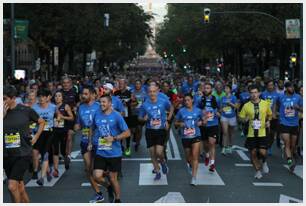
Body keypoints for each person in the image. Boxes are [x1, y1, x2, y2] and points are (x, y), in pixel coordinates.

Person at [4, 85, 45, 202]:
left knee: (12, 186)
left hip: (23, 154)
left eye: (4, 99)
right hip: (6, 155)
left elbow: (41, 122)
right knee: (20, 188)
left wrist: (36, 137)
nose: (2, 101)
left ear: (13, 98)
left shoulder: (25, 110)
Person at [90, 94, 131, 203]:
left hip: (114, 153)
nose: (102, 104)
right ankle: (108, 187)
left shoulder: (117, 116)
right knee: (96, 176)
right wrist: (90, 141)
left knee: (113, 178)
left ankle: (117, 199)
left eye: (104, 102)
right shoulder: (97, 114)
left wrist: (114, 138)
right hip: (101, 151)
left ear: (109, 103)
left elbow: (127, 133)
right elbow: (92, 127)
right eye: (100, 102)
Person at [138, 85, 173, 180]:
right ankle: (157, 171)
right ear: (148, 93)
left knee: (158, 152)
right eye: (150, 92)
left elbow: (171, 108)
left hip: (161, 130)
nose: (152, 93)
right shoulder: (145, 104)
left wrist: (168, 120)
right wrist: (143, 118)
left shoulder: (163, 101)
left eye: (154, 91)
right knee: (152, 153)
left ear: (157, 92)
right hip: (150, 130)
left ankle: (162, 162)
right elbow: (140, 117)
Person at [74, 86, 103, 203]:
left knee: (97, 170)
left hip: (98, 141)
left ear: (92, 94)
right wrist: (77, 127)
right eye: (82, 94)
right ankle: (98, 193)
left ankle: (107, 184)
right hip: (85, 140)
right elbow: (78, 124)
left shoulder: (99, 106)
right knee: (88, 169)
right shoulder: (80, 107)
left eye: (86, 94)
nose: (83, 96)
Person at [239, 85, 272, 179]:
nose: (254, 95)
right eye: (252, 93)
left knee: (263, 152)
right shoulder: (246, 105)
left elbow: (269, 115)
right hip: (251, 133)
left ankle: (264, 162)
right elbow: (241, 117)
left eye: (255, 92)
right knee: (253, 153)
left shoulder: (265, 104)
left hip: (262, 132)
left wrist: (268, 121)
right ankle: (257, 171)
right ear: (249, 94)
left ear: (259, 93)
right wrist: (244, 119)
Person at [175, 93, 202, 186]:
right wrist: (180, 124)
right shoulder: (181, 111)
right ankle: (190, 164)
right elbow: (176, 123)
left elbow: (204, 120)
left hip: (196, 135)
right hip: (185, 137)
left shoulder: (198, 110)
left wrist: (202, 122)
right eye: (185, 100)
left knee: (195, 156)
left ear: (192, 100)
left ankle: (194, 177)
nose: (187, 102)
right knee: (188, 157)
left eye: (188, 100)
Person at [31, 88, 57, 186]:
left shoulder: (53, 107)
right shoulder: (34, 107)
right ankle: (44, 170)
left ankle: (41, 178)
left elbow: (58, 116)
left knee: (45, 154)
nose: (41, 99)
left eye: (43, 97)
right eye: (39, 97)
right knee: (35, 153)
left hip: (49, 133)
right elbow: (31, 120)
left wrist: (58, 118)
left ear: (48, 98)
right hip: (38, 133)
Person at [276, 82, 303, 172]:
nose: (292, 88)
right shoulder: (281, 97)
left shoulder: (298, 97)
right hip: (284, 123)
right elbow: (276, 105)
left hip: (295, 124)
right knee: (287, 143)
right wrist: (275, 113)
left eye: (293, 87)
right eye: (290, 87)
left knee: (293, 145)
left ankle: (292, 155)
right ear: (286, 88)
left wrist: (298, 108)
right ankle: (290, 161)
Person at [197, 82, 220, 172]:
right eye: (205, 88)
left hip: (213, 124)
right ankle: (207, 154)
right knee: (206, 144)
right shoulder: (200, 99)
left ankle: (212, 164)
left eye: (208, 88)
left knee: (212, 143)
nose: (206, 90)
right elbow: (196, 109)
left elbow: (220, 108)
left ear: (211, 89)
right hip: (204, 124)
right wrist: (201, 114)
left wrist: (218, 113)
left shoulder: (216, 99)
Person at [52, 91, 74, 177]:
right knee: (55, 150)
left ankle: (66, 159)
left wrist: (63, 117)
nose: (57, 98)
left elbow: (71, 118)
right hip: (54, 131)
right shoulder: (52, 107)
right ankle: (56, 170)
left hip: (63, 131)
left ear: (62, 98)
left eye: (59, 96)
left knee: (63, 150)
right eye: (56, 96)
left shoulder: (65, 106)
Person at [61, 76, 79, 170]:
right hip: (60, 119)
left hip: (71, 118)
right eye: (64, 83)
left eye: (67, 83)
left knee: (69, 136)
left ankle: (68, 156)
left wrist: (76, 107)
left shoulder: (74, 93)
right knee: (62, 139)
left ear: (70, 84)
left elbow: (80, 102)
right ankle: (64, 154)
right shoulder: (58, 93)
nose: (66, 84)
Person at [260, 80, 280, 156]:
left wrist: (277, 113)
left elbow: (280, 105)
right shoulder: (262, 94)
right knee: (264, 133)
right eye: (269, 85)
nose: (271, 86)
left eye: (272, 85)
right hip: (264, 117)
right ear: (267, 86)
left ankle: (269, 147)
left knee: (272, 134)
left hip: (273, 117)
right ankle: (263, 146)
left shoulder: (277, 95)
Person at [114, 78, 133, 156]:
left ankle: (128, 147)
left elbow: (134, 103)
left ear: (125, 85)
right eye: (119, 83)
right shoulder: (116, 93)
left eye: (122, 83)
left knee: (127, 131)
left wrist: (128, 103)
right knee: (119, 131)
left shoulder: (129, 93)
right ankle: (120, 146)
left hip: (127, 115)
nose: (120, 85)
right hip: (118, 115)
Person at [219, 84, 239, 155]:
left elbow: (236, 107)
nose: (226, 90)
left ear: (230, 89)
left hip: (232, 116)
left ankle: (230, 146)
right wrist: (222, 109)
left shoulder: (234, 97)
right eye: (225, 88)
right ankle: (224, 147)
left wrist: (230, 104)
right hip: (224, 116)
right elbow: (220, 109)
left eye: (227, 88)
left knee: (231, 133)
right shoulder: (222, 98)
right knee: (225, 132)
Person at [130, 79, 146, 151]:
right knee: (133, 130)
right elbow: (129, 103)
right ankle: (135, 137)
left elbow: (146, 103)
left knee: (139, 128)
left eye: (139, 84)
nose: (137, 85)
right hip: (133, 113)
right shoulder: (131, 92)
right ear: (134, 85)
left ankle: (137, 142)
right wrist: (133, 103)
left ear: (141, 85)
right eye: (136, 84)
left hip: (141, 114)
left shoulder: (144, 93)